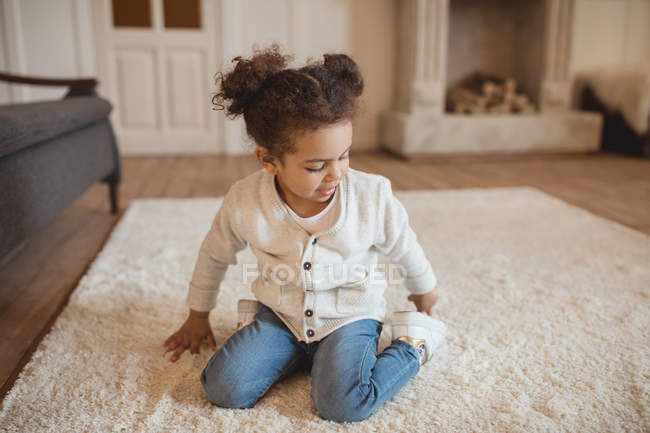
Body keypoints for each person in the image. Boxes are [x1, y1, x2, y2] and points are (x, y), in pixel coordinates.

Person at [163, 43, 447, 423]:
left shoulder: (371, 195)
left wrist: (423, 287)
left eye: (344, 155)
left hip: (351, 315)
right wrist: (198, 315)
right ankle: (286, 348)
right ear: (268, 160)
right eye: (316, 166)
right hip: (281, 313)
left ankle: (415, 344)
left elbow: (403, 243)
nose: (336, 173)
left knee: (343, 405)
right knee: (223, 389)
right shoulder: (244, 200)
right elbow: (214, 254)